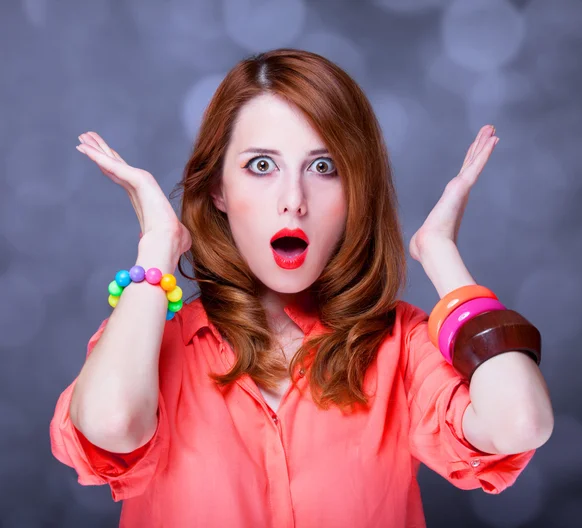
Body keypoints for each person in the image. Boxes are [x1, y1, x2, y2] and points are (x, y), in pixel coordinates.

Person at [50, 49, 554, 527]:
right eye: (262, 166)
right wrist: (158, 246)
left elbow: (520, 422)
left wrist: (441, 256)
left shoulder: (402, 347)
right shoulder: (145, 348)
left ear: (356, 190)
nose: (294, 200)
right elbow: (113, 423)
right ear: (218, 190)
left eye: (324, 167)